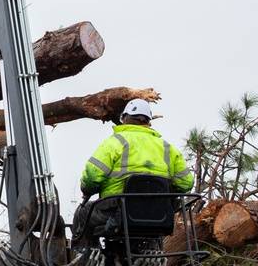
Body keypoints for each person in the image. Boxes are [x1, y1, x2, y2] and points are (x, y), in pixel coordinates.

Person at [72, 98, 194, 245]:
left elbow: (92, 175)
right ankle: (150, 256)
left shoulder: (115, 143)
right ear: (148, 122)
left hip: (117, 211)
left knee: (82, 214)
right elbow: (186, 183)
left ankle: (84, 259)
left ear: (124, 119)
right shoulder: (167, 148)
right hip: (157, 214)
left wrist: (87, 190)